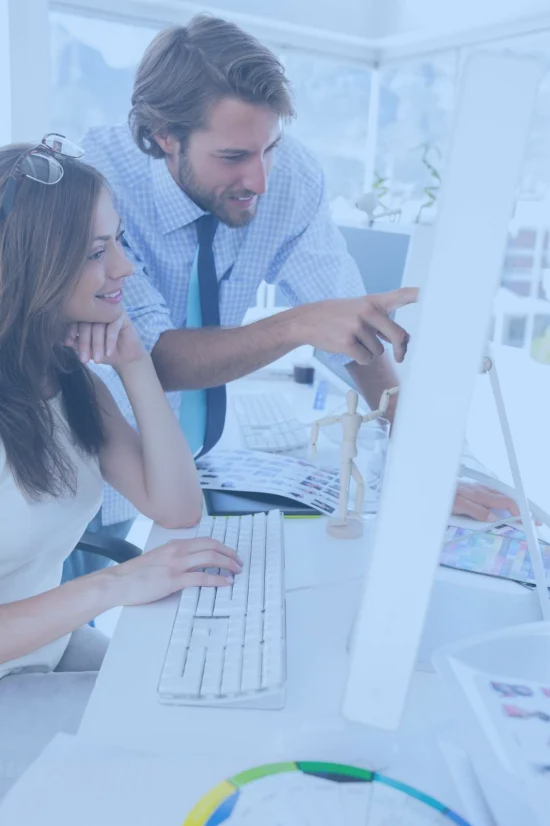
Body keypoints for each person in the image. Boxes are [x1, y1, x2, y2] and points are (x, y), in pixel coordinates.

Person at [81, 13, 519, 539]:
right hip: (93, 461)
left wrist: (423, 461)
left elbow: (350, 321)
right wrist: (297, 325)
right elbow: (150, 355)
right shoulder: (96, 187)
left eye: (270, 148)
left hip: (186, 467)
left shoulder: (290, 177)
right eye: (233, 156)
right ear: (164, 137)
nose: (260, 180)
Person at [0, 136, 241, 795]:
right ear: (30, 265)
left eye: (119, 242)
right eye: (96, 252)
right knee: (178, 748)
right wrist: (115, 584)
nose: (125, 268)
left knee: (208, 698)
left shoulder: (63, 374)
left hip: (44, 651)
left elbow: (177, 507)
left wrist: (134, 363)